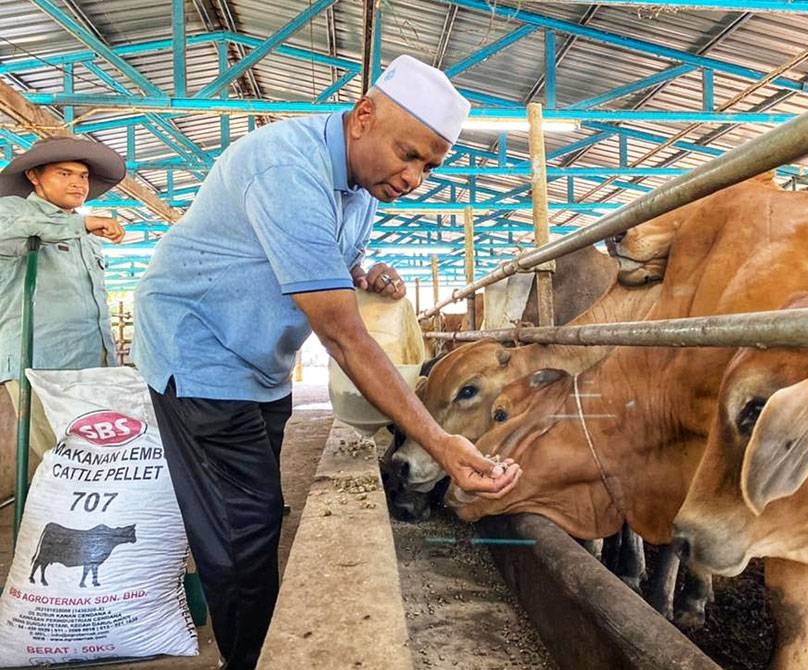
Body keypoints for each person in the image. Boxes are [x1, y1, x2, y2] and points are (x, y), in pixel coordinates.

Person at [132, 55, 522, 669]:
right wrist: (442, 443)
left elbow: (344, 256)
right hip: (200, 350)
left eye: (429, 165)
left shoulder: (362, 187)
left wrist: (364, 271)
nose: (414, 177)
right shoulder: (286, 167)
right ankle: (254, 656)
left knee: (256, 507)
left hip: (260, 359)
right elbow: (343, 337)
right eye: (409, 154)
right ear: (362, 116)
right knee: (242, 531)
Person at [0, 136, 126, 495]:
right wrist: (80, 226)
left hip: (92, 362)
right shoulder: (11, 211)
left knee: (93, 454)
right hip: (38, 363)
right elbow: (11, 231)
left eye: (83, 176)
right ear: (35, 178)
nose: (78, 183)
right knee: (62, 460)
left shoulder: (87, 233)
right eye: (65, 173)